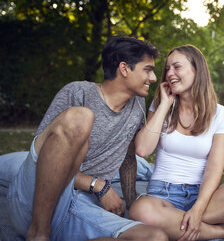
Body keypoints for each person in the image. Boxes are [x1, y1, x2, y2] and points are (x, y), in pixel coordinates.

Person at [7, 35, 168, 241]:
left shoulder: (136, 106)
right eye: (148, 69)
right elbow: (43, 157)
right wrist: (98, 185)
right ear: (124, 68)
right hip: (34, 202)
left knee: (155, 237)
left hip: (79, 208)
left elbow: (127, 157)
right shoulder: (78, 92)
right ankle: (38, 234)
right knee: (82, 117)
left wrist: (130, 202)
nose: (153, 78)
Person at [129, 45, 224, 241]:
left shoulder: (222, 115)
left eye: (176, 67)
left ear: (197, 70)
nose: (170, 73)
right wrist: (164, 105)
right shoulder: (161, 106)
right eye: (167, 69)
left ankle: (181, 224)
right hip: (163, 196)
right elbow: (143, 149)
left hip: (205, 198)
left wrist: (197, 209)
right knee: (141, 210)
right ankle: (222, 231)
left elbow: (214, 169)